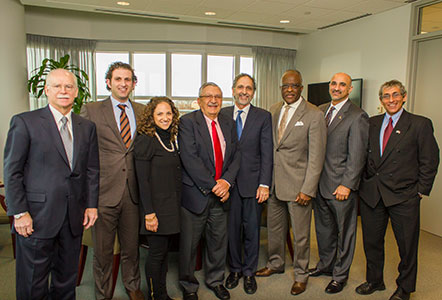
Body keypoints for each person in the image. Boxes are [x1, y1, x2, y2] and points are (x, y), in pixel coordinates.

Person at [3, 69, 99, 300]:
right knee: (33, 280)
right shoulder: (25, 122)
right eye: (57, 86)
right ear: (47, 90)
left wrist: (91, 205)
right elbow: (12, 171)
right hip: (36, 216)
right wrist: (19, 213)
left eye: (69, 87)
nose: (63, 91)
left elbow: (92, 170)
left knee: (66, 278)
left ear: (76, 92)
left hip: (73, 216)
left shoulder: (86, 127)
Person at [355, 80, 439, 300]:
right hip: (373, 194)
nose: (390, 100)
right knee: (372, 242)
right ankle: (374, 280)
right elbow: (364, 155)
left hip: (404, 195)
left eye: (395, 95)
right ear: (381, 100)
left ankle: (405, 288)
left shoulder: (419, 124)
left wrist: (421, 190)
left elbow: (430, 160)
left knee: (407, 246)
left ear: (404, 97)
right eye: (385, 96)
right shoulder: (371, 123)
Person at [256, 69, 327, 296]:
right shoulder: (274, 110)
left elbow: (316, 157)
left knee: (301, 234)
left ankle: (301, 274)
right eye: (285, 85)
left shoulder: (314, 114)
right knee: (275, 230)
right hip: (274, 185)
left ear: (301, 87)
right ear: (281, 87)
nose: (289, 90)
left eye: (294, 86)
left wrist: (308, 189)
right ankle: (276, 263)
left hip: (298, 188)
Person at [80, 62, 145, 300]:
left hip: (133, 191)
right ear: (108, 82)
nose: (123, 84)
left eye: (128, 79)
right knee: (104, 251)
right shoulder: (92, 110)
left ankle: (132, 286)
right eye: (118, 79)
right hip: (104, 192)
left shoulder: (142, 110)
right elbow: (82, 152)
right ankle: (103, 294)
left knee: (131, 247)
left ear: (134, 83)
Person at [178, 82, 241, 300]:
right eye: (208, 96)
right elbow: (190, 159)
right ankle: (188, 286)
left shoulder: (229, 123)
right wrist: (214, 185)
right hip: (196, 194)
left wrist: (226, 182)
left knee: (217, 243)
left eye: (218, 97)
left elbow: (236, 156)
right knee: (189, 245)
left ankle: (215, 280)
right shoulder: (187, 122)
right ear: (199, 100)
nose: (213, 100)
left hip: (222, 196)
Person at [309, 72, 369, 294]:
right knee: (324, 230)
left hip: (341, 187)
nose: (336, 87)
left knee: (345, 233)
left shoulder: (357, 116)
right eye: (334, 83)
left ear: (349, 89)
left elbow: (357, 155)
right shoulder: (320, 109)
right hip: (319, 184)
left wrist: (347, 184)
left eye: (342, 85)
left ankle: (340, 275)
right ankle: (325, 265)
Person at [220, 74, 273, 295]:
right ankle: (234, 270)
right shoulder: (221, 114)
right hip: (228, 184)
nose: (244, 91)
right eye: (240, 87)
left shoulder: (263, 116)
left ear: (253, 92)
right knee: (231, 231)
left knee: (252, 230)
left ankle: (249, 272)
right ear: (233, 90)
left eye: (249, 88)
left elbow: (267, 152)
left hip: (253, 184)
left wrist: (264, 184)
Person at [134, 97, 181, 300]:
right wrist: (149, 214)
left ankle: (161, 294)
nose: (165, 118)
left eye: (168, 113)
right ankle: (155, 295)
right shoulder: (145, 140)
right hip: (155, 209)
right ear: (151, 116)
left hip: (171, 207)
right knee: (156, 254)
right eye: (160, 114)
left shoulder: (171, 137)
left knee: (163, 254)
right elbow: (142, 181)